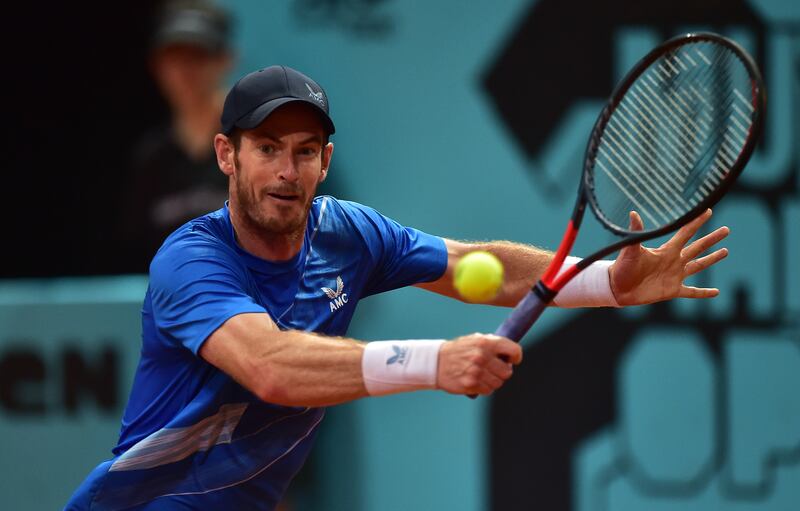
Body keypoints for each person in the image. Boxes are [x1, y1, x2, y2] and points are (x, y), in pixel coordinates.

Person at [66, 65, 730, 510]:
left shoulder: (346, 233)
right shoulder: (190, 260)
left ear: (325, 161)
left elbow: (479, 265)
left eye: (304, 150)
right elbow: (270, 368)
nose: (285, 169)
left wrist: (610, 281)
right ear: (226, 156)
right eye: (266, 147)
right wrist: (436, 362)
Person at [119, 0, 234, 272]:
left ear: (225, 60)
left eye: (197, 56)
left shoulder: (255, 146)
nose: (185, 71)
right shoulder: (151, 158)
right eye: (174, 58)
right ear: (157, 67)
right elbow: (133, 252)